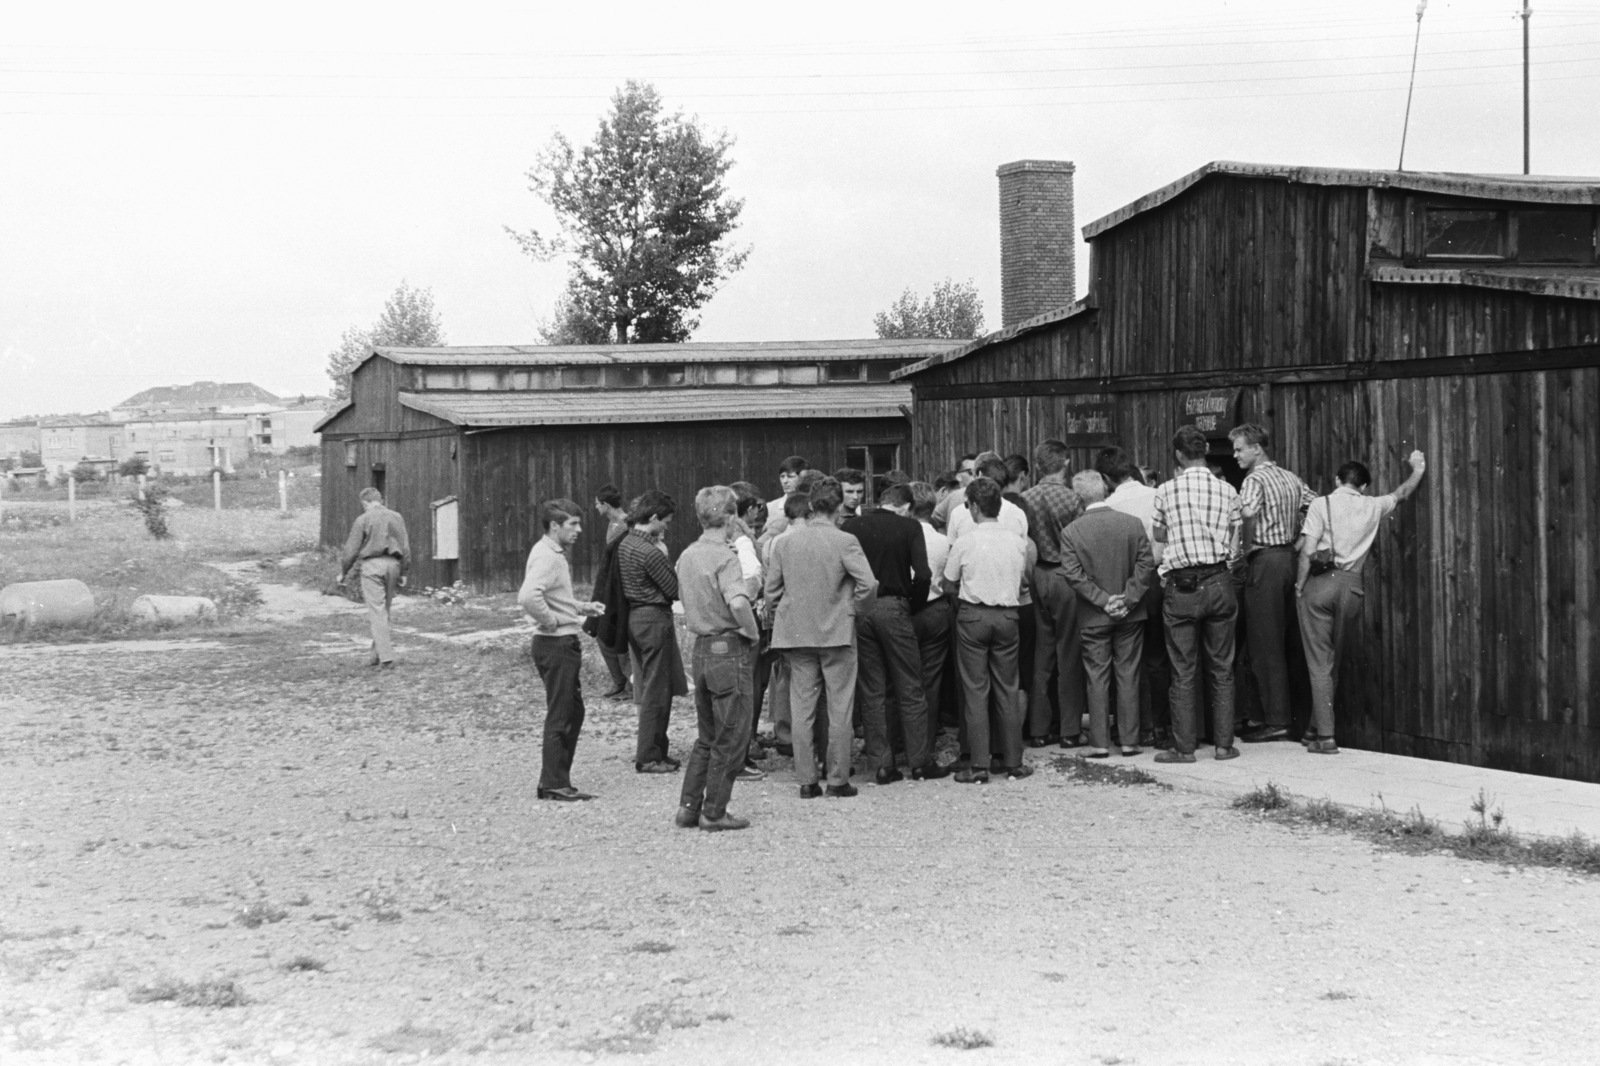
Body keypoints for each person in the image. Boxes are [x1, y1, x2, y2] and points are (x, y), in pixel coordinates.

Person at [1296, 450, 1427, 753]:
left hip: (1320, 585)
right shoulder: (1373, 505)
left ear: (1338, 480)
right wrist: (1417, 469)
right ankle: (1313, 731)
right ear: (1364, 486)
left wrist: (1299, 585)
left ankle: (1326, 738)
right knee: (1332, 663)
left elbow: (1307, 551)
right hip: (1352, 589)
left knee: (1319, 663)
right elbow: (1403, 493)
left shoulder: (1321, 503)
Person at [765, 477, 877, 799]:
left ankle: (807, 780)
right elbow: (869, 585)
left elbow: (771, 593)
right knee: (840, 707)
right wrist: (853, 610)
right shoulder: (846, 541)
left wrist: (789, 612)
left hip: (797, 633)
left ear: (811, 505)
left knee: (801, 707)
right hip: (837, 633)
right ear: (839, 506)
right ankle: (838, 778)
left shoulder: (785, 543)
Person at [673, 486, 764, 831]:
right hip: (729, 647)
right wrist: (752, 633)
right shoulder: (725, 557)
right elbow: (739, 602)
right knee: (733, 735)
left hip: (701, 648)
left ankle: (689, 806)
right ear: (730, 518)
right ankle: (715, 811)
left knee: (707, 735)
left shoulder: (688, 554)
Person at [843, 481, 947, 783]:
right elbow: (923, 574)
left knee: (874, 688)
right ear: (905, 506)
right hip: (895, 606)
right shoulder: (909, 527)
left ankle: (882, 763)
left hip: (863, 609)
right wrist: (910, 605)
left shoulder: (854, 526)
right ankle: (919, 760)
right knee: (910, 684)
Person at [1152, 426, 1244, 764]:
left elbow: (1159, 540)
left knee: (1183, 669)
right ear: (1205, 451)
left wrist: (1164, 573)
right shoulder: (1227, 489)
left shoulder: (1165, 491)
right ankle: (1223, 745)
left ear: (1178, 455)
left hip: (1183, 585)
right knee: (1222, 667)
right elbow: (1236, 537)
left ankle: (1185, 748)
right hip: (1220, 580)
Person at [943, 476, 1036, 783]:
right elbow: (1022, 579)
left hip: (973, 615)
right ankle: (1012, 761)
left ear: (972, 507)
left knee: (975, 689)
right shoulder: (1017, 541)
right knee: (1008, 688)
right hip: (1008, 616)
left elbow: (949, 581)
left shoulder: (966, 541)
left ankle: (979, 763)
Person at [1229, 424, 1317, 744]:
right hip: (1288, 562)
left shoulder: (1254, 479)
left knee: (1264, 645)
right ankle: (1265, 715)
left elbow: (1248, 512)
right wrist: (1299, 542)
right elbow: (1317, 505)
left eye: (1239, 449)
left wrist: (1246, 545)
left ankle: (1277, 720)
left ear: (1257, 448)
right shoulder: (1291, 478)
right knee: (1276, 642)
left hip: (1264, 561)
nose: (1236, 455)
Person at [1060, 472, 1154, 758]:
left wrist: (1102, 600)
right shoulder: (1131, 523)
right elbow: (1145, 564)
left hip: (1093, 615)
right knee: (1128, 674)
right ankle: (1129, 740)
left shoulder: (1071, 532)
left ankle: (1100, 743)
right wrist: (1128, 598)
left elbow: (1073, 576)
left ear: (1078, 498)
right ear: (1105, 489)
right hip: (1130, 613)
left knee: (1097, 676)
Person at [518, 498, 607, 801]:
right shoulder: (549, 556)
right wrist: (552, 620)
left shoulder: (548, 551)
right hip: (556, 643)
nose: (579, 530)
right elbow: (529, 596)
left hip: (556, 642)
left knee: (571, 709)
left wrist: (581, 606)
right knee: (563, 712)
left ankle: (555, 779)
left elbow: (552, 593)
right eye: (573, 524)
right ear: (554, 526)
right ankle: (554, 783)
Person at [1099, 446, 1170, 748]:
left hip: (1123, 583)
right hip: (1157, 578)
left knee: (1127, 658)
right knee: (1157, 656)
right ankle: (1161, 727)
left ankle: (1132, 726)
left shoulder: (1109, 505)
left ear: (1105, 477)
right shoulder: (1157, 495)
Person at [1022, 439, 1086, 747]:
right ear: (1065, 463)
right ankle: (1070, 729)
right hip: (1066, 576)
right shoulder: (1073, 499)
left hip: (1036, 575)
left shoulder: (1024, 498)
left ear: (1036, 466)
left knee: (1041, 654)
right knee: (1069, 653)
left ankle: (1038, 728)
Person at [618, 489, 687, 774]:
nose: (667, 527)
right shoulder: (650, 551)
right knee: (657, 690)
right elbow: (673, 589)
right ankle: (648, 755)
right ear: (655, 518)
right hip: (654, 618)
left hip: (636, 617)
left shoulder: (626, 542)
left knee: (653, 685)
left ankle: (658, 749)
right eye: (666, 522)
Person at [338, 487, 409, 668]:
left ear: (366, 503)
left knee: (377, 611)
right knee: (384, 611)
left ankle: (386, 658)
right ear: (381, 500)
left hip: (372, 566)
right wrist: (404, 571)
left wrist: (343, 572)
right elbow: (406, 547)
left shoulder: (363, 519)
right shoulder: (397, 517)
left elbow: (350, 551)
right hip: (393, 565)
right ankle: (375, 655)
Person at [908, 482, 955, 739]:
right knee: (931, 678)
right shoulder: (943, 541)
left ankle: (905, 737)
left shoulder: (902, 537)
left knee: (903, 676)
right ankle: (926, 736)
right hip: (936, 608)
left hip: (908, 609)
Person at [592, 483, 633, 700]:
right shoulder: (613, 524)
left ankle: (629, 684)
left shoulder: (625, 525)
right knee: (603, 632)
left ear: (606, 505)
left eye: (597, 505)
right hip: (612, 587)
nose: (596, 508)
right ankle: (620, 681)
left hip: (623, 589)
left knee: (617, 636)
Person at [765, 456, 808, 528]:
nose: (785, 481)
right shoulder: (770, 507)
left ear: (802, 478)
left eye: (790, 476)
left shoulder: (810, 505)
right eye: (782, 476)